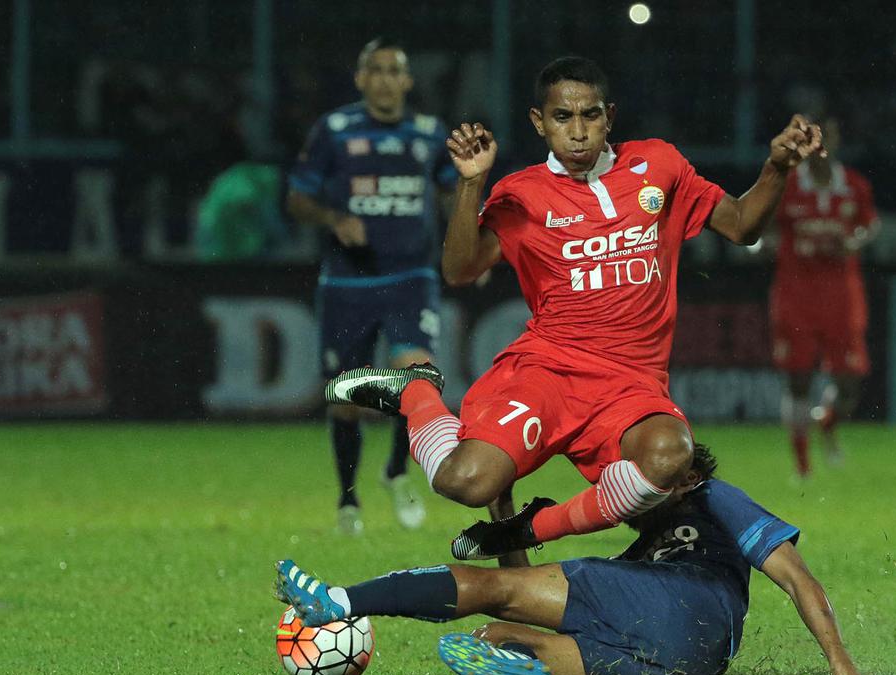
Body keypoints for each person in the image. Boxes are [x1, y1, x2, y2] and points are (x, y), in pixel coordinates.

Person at [326, 56, 824, 554]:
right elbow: (460, 269)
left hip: (630, 382)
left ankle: (524, 530)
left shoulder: (659, 165)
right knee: (466, 482)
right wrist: (471, 183)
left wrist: (776, 167)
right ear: (539, 122)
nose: (579, 131)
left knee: (671, 458)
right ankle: (415, 394)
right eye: (563, 118)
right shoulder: (521, 193)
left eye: (590, 115)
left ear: (609, 115)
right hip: (548, 371)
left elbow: (741, 225)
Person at [274, 443, 873, 675]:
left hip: (683, 603)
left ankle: (340, 601)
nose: (634, 487)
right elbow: (538, 591)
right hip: (689, 667)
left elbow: (797, 577)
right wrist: (505, 515)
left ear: (685, 476)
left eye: (648, 478)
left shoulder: (712, 494)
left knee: (496, 595)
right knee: (502, 633)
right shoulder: (646, 553)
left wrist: (843, 669)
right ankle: (533, 674)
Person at [287, 37, 459, 535]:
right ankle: (348, 500)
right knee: (346, 401)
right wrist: (333, 218)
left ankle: (397, 471)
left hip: (412, 275)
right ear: (361, 79)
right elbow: (298, 198)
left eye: (394, 71)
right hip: (348, 281)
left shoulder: (429, 134)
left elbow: (453, 191)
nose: (385, 79)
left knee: (418, 376)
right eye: (375, 70)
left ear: (407, 81)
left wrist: (470, 243)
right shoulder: (335, 131)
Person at [769, 117, 880, 476]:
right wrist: (760, 245)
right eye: (810, 138)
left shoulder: (853, 185)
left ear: (835, 140)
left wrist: (854, 241)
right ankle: (802, 465)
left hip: (842, 295)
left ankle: (828, 421)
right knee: (798, 378)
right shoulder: (786, 186)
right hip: (796, 294)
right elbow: (762, 225)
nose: (818, 145)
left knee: (850, 381)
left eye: (824, 137)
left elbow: (870, 225)